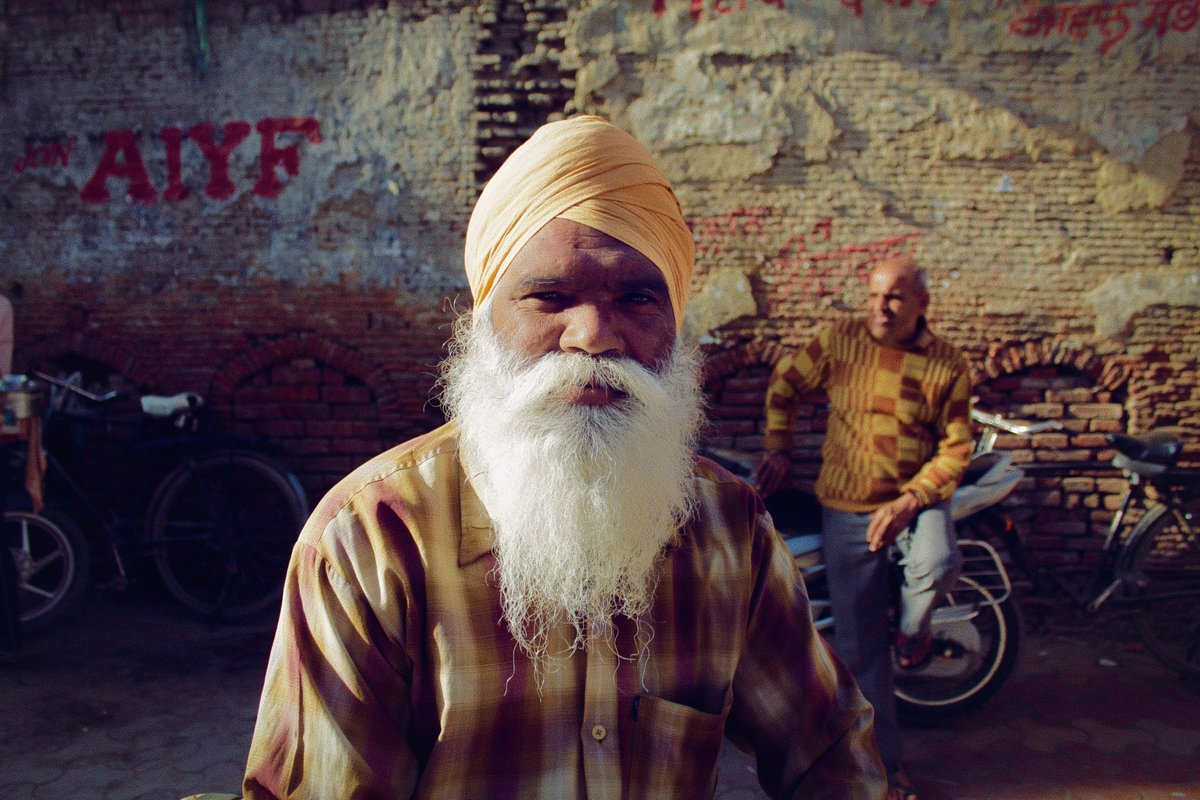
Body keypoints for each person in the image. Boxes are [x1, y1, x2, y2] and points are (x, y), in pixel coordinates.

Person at [241, 116, 887, 799]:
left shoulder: (729, 529)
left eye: (637, 298)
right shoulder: (367, 543)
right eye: (550, 297)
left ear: (674, 325)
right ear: (485, 320)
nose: (594, 337)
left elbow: (831, 753)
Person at [753, 256, 972, 800]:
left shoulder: (947, 363)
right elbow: (785, 383)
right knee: (860, 651)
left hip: (915, 502)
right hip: (848, 509)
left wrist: (911, 500)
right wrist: (778, 449)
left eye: (895, 297)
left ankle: (915, 631)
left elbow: (958, 446)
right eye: (874, 295)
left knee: (940, 563)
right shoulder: (840, 340)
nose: (881, 307)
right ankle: (883, 767)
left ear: (921, 304)